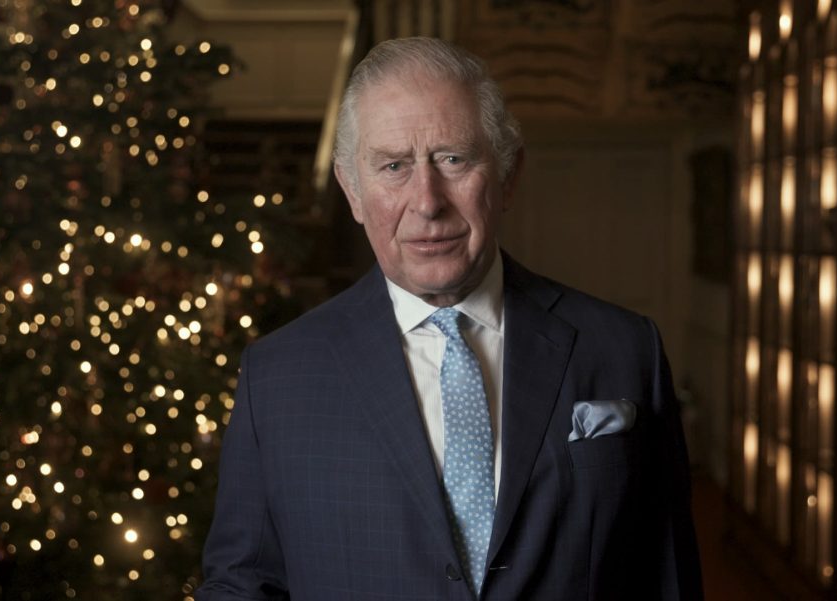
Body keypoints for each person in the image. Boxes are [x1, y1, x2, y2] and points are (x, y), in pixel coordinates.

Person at [196, 37, 702, 600]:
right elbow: (242, 585)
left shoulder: (624, 349)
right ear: (352, 191)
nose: (427, 201)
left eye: (453, 159)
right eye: (394, 166)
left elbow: (667, 578)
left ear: (508, 175)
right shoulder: (276, 376)